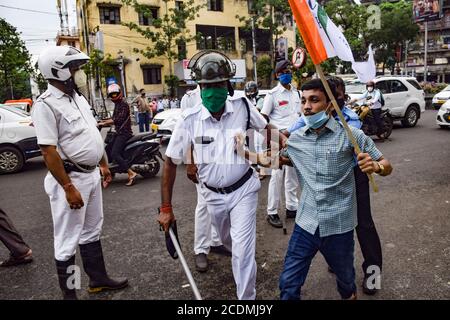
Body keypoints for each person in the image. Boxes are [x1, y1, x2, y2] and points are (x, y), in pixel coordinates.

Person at [236, 78, 393, 300]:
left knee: (346, 285)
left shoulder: (351, 137)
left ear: (329, 105)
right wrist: (243, 152)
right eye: (303, 101)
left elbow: (387, 165)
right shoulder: (296, 140)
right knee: (288, 284)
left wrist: (376, 165)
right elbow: (272, 161)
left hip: (339, 226)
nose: (307, 106)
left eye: (314, 100)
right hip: (305, 225)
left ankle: (362, 281)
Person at [158, 50, 281, 300]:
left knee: (243, 252)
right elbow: (170, 163)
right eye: (206, 86)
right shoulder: (189, 120)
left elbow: (266, 129)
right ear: (199, 87)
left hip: (244, 189)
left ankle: (246, 300)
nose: (212, 91)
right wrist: (166, 208)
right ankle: (230, 253)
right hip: (212, 195)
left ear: (228, 86)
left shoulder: (243, 106)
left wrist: (280, 149)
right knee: (228, 242)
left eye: (217, 85)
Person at [31, 45, 128, 300]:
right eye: (75, 69)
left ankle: (98, 279)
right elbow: (48, 151)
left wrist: (104, 163)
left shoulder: (78, 98)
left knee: (92, 229)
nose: (79, 74)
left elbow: (92, 133)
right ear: (59, 71)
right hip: (71, 179)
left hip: (92, 174)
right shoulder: (46, 105)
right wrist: (67, 187)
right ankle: (70, 294)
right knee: (67, 241)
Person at [287, 76, 384, 295]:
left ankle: (373, 276)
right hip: (325, 172)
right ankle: (336, 258)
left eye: (340, 95)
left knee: (364, 224)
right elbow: (291, 134)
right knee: (337, 246)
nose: (338, 98)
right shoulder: (306, 120)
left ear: (339, 98)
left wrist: (374, 165)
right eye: (335, 94)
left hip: (356, 168)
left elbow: (364, 145)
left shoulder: (351, 119)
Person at [180, 82, 228, 272]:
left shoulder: (225, 92)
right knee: (203, 206)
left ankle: (216, 242)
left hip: (223, 157)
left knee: (221, 206)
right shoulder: (190, 98)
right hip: (202, 158)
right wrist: (190, 161)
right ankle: (201, 249)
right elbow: (186, 132)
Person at [260, 59, 300, 228]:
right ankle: (272, 211)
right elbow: (263, 119)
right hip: (278, 137)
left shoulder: (296, 93)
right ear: (278, 75)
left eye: (289, 71)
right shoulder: (272, 95)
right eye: (284, 72)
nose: (288, 74)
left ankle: (292, 207)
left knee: (292, 175)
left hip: (296, 138)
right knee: (277, 176)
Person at [99, 84, 138, 186]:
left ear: (119, 93)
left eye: (115, 94)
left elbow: (118, 119)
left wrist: (104, 123)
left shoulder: (124, 104)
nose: (113, 96)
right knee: (107, 150)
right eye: (111, 95)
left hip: (124, 133)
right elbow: (113, 118)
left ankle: (131, 173)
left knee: (115, 153)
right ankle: (110, 173)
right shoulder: (117, 104)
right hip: (118, 133)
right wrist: (101, 121)